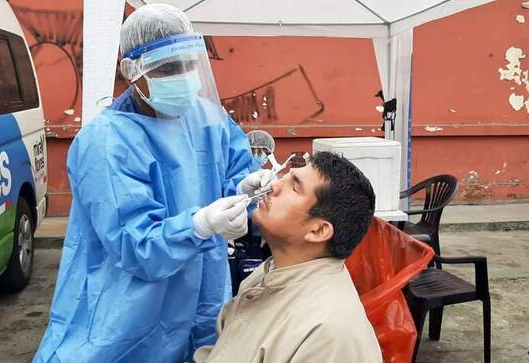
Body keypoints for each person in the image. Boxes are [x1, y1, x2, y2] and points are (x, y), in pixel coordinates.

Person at [33, 4, 273, 363]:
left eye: (188, 65)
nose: (183, 77)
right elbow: (135, 245)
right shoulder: (105, 143)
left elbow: (233, 170)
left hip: (201, 300)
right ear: (133, 72)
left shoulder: (206, 118)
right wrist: (202, 224)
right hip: (124, 318)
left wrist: (244, 190)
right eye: (167, 68)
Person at [194, 151, 382, 363]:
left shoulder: (328, 333)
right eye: (285, 175)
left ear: (318, 231)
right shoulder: (271, 273)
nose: (273, 186)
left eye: (294, 187)